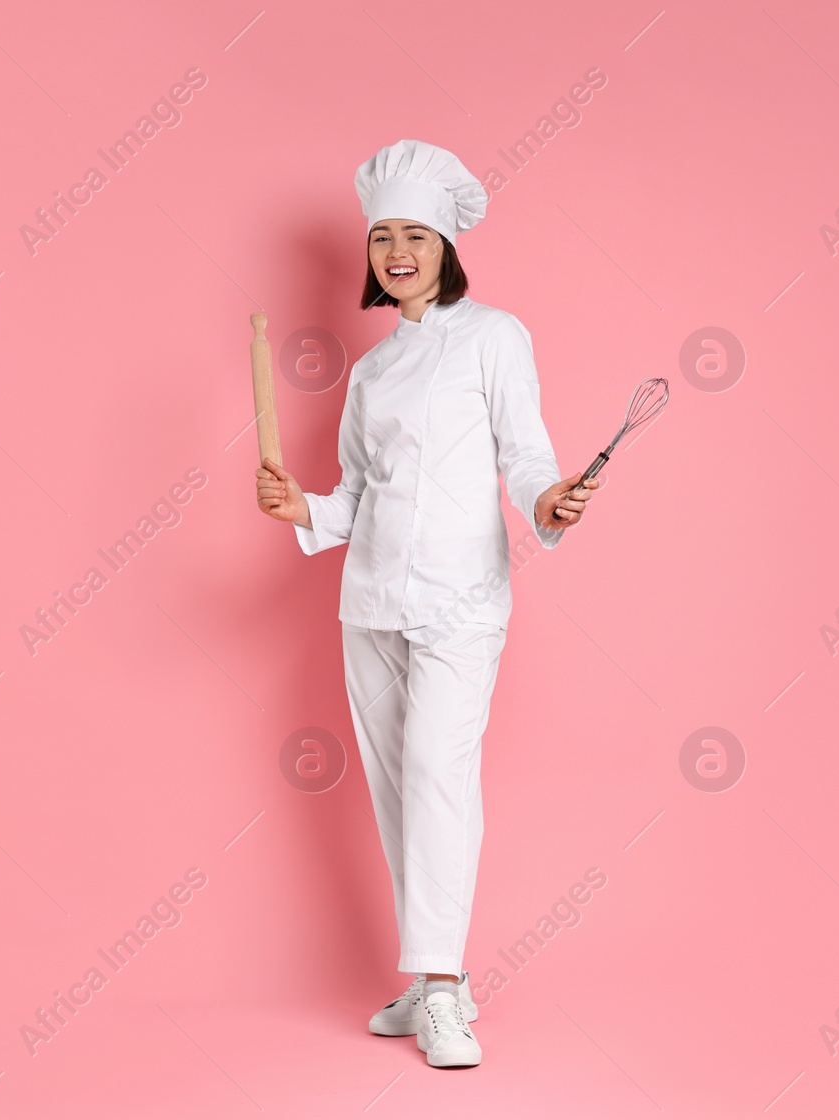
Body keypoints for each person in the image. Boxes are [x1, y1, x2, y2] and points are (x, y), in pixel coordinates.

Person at [255, 138, 598, 1068]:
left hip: (460, 602)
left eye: (415, 234)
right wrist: (306, 508)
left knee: (440, 779)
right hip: (368, 604)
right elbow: (361, 496)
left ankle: (443, 991)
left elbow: (525, 452)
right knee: (395, 787)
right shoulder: (369, 375)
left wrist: (545, 498)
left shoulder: (497, 336)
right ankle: (430, 972)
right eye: (381, 237)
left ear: (448, 244)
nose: (396, 251)